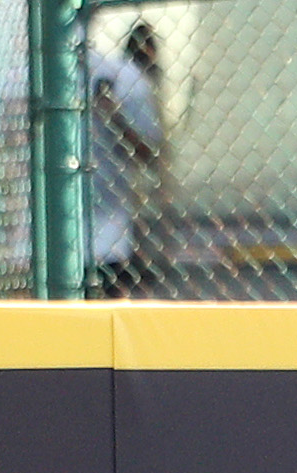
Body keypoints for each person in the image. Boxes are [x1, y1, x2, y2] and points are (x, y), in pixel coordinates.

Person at [88, 22, 167, 296]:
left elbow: (148, 150)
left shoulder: (128, 81)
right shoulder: (124, 77)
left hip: (110, 214)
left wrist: (114, 116)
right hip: (102, 205)